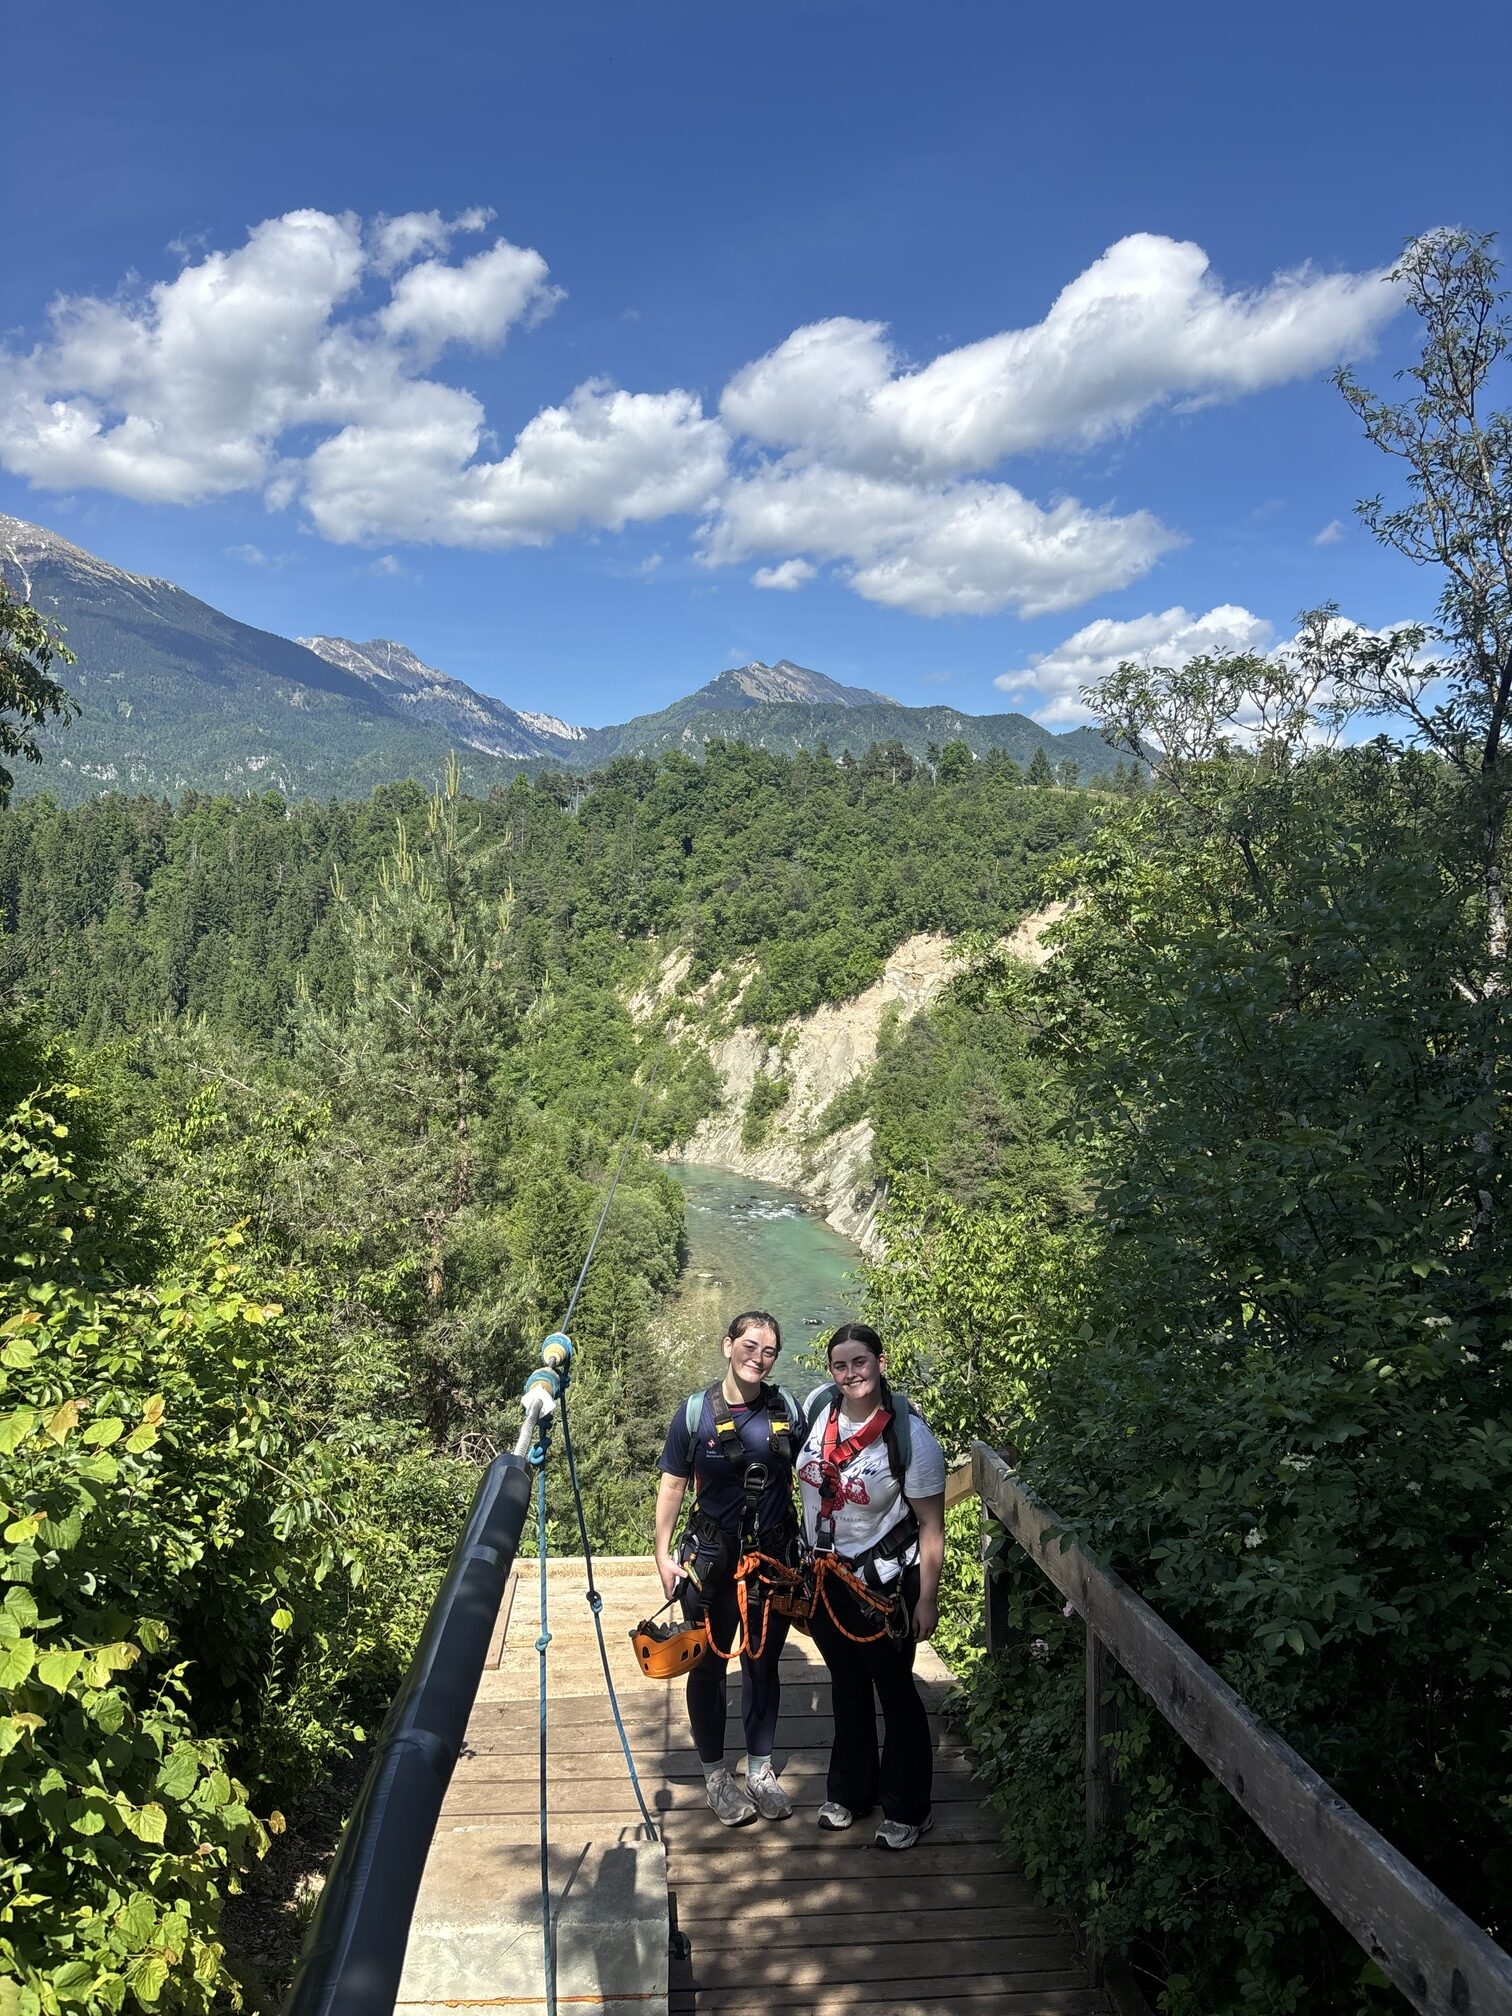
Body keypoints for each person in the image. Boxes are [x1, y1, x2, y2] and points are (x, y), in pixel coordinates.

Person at [797, 1321, 946, 1851]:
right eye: (841, 1364)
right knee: (846, 1684)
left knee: (896, 1691)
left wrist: (927, 1598)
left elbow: (931, 1524)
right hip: (825, 1579)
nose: (850, 1373)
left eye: (860, 1362)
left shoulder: (910, 1439)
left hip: (881, 1586)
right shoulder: (819, 1410)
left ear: (880, 1363)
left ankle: (909, 1806)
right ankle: (851, 1792)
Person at [655, 1310, 806, 1827]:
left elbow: (811, 1473)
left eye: (768, 1351)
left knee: (762, 1663)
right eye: (749, 1346)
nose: (757, 1359)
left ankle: (760, 1771)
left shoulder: (785, 1407)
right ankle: (716, 1775)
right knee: (709, 1665)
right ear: (727, 1346)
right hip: (711, 1560)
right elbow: (673, 1483)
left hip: (770, 1557)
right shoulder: (695, 1412)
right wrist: (661, 1552)